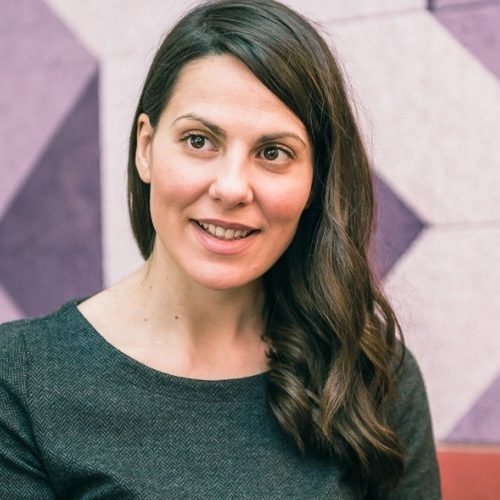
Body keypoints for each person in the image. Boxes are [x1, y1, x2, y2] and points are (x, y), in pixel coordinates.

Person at [0, 0, 441, 498]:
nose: (232, 188)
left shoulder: (370, 374)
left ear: (316, 180)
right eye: (198, 140)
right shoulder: (20, 380)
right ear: (145, 147)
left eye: (273, 153)